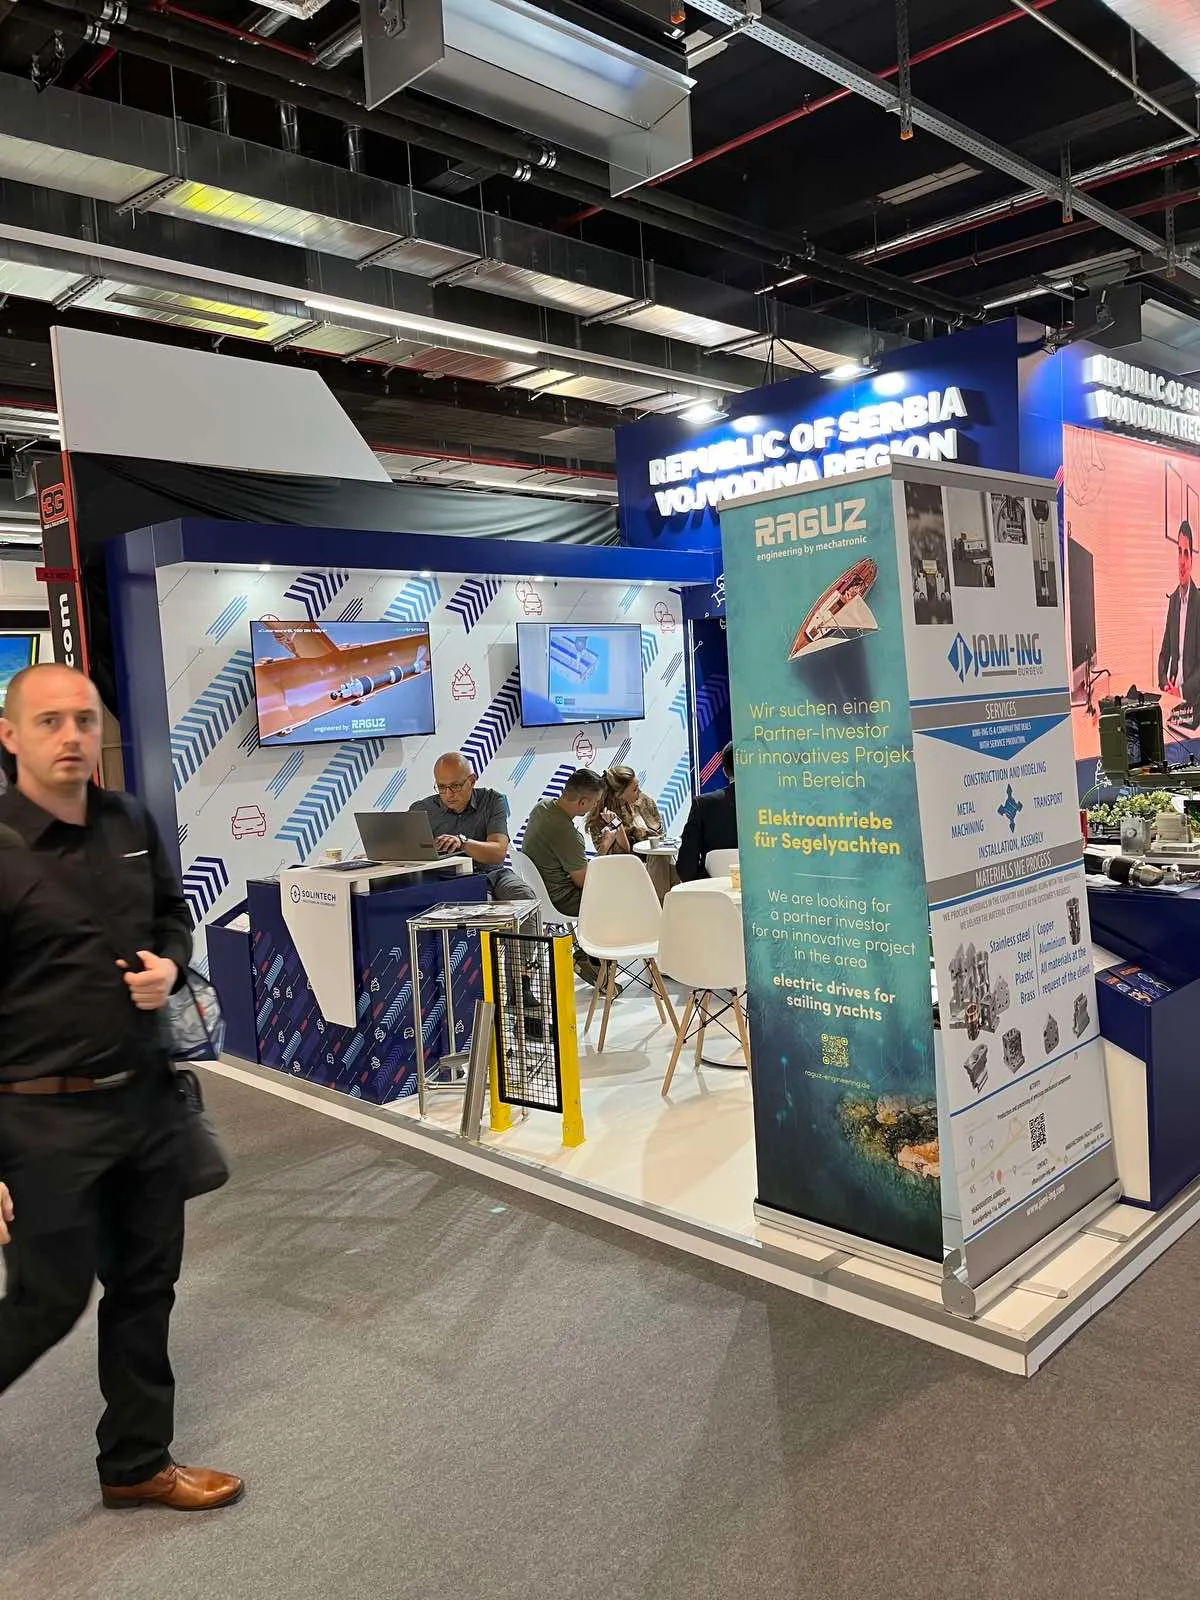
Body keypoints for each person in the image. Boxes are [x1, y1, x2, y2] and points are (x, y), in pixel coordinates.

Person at [0, 663, 242, 1512]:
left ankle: (137, 1462)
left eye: (83, 719)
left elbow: (173, 914)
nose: (71, 735)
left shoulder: (129, 821)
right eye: (49, 721)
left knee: (146, 1285)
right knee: (45, 1302)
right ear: (10, 736)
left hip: (144, 1099)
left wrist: (169, 965)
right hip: (40, 1120)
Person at [522, 767, 611, 983]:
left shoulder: (542, 807)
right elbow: (584, 883)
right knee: (614, 900)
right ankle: (594, 961)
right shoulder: (567, 834)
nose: (595, 807)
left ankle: (589, 957)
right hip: (561, 900)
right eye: (594, 802)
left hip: (539, 893)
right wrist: (604, 846)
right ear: (582, 802)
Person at [409, 752, 534, 903]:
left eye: (455, 786)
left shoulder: (492, 800)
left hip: (494, 874)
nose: (448, 794)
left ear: (472, 780)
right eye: (441, 787)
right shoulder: (422, 810)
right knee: (478, 901)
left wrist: (462, 843)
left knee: (524, 895)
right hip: (449, 880)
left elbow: (498, 853)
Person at [585, 765, 678, 902]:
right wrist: (618, 826)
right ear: (618, 794)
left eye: (638, 787)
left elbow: (659, 837)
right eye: (634, 789)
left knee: (661, 856)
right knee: (660, 859)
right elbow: (621, 858)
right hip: (625, 871)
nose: (639, 792)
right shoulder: (600, 820)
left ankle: (666, 904)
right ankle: (663, 905)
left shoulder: (644, 802)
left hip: (654, 862)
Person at [676, 742, 738, 882]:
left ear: (724, 771)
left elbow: (686, 868)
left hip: (714, 890)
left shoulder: (703, 804)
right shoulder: (776, 804)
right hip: (770, 892)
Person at [1158, 520, 1200, 707]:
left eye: (1186, 553)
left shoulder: (1198, 603)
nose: (1182, 561)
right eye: (1179, 552)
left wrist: (1181, 691)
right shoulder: (1173, 600)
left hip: (1193, 700)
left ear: (1191, 560)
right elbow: (1164, 653)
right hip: (1173, 695)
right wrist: (1164, 682)